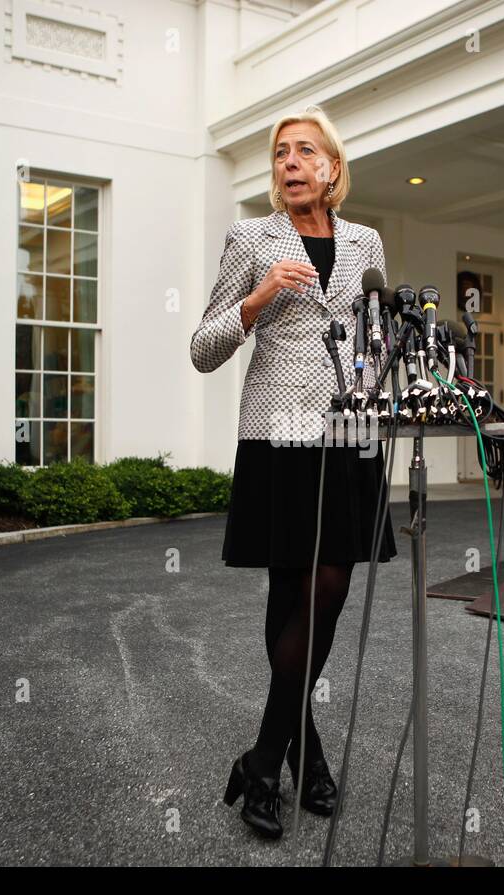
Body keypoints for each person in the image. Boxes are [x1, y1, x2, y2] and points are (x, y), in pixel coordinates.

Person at [190, 106, 398, 839]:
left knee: (329, 584)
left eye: (306, 150)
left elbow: (375, 339)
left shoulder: (366, 240)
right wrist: (256, 299)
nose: (291, 161)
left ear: (332, 169)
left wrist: (377, 383)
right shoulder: (252, 238)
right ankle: (302, 758)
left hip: (346, 431)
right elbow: (203, 347)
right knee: (290, 591)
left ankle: (265, 755)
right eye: (281, 152)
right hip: (277, 433)